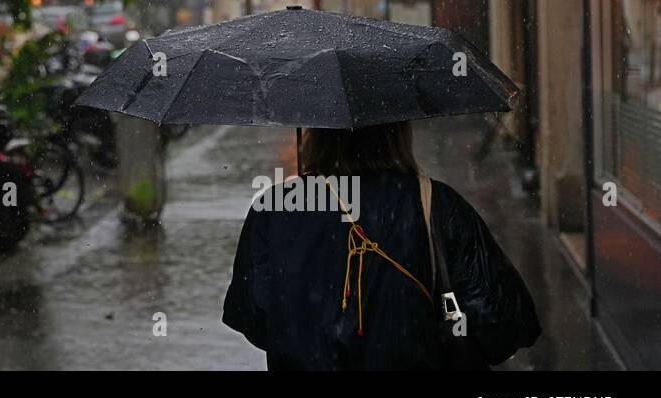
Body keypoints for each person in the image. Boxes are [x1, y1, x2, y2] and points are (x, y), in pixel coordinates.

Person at [222, 121, 541, 370]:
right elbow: (502, 324)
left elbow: (255, 319)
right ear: (399, 132)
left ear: (316, 133)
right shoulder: (438, 207)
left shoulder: (275, 209)